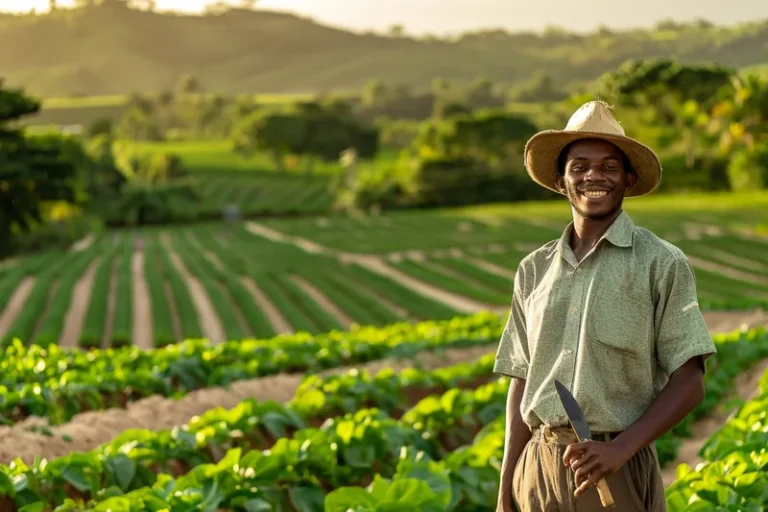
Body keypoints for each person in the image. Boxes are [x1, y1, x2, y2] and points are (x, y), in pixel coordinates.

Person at [493, 100, 717, 512]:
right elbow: (521, 382)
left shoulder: (661, 263)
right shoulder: (533, 269)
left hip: (613, 467)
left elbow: (690, 382)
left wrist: (621, 450)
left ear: (628, 180)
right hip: (537, 471)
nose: (593, 175)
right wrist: (507, 484)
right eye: (579, 166)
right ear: (562, 182)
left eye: (608, 167)